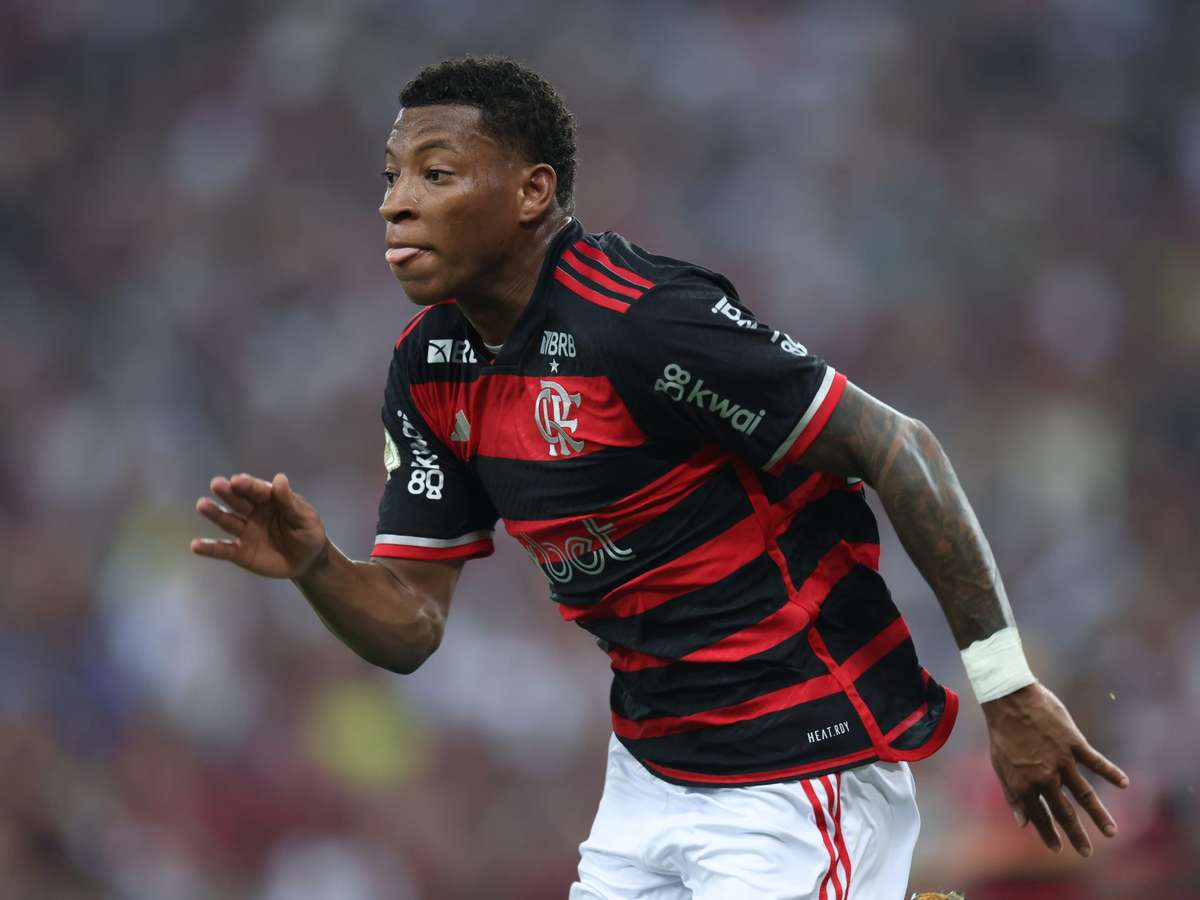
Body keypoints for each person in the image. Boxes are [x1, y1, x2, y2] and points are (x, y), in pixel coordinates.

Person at [192, 56, 1129, 899]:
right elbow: (411, 625)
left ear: (532, 191)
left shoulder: (643, 322)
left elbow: (900, 448)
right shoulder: (429, 367)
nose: (397, 204)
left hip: (802, 763)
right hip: (649, 777)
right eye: (391, 178)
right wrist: (317, 565)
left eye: (435, 175)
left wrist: (1007, 689)